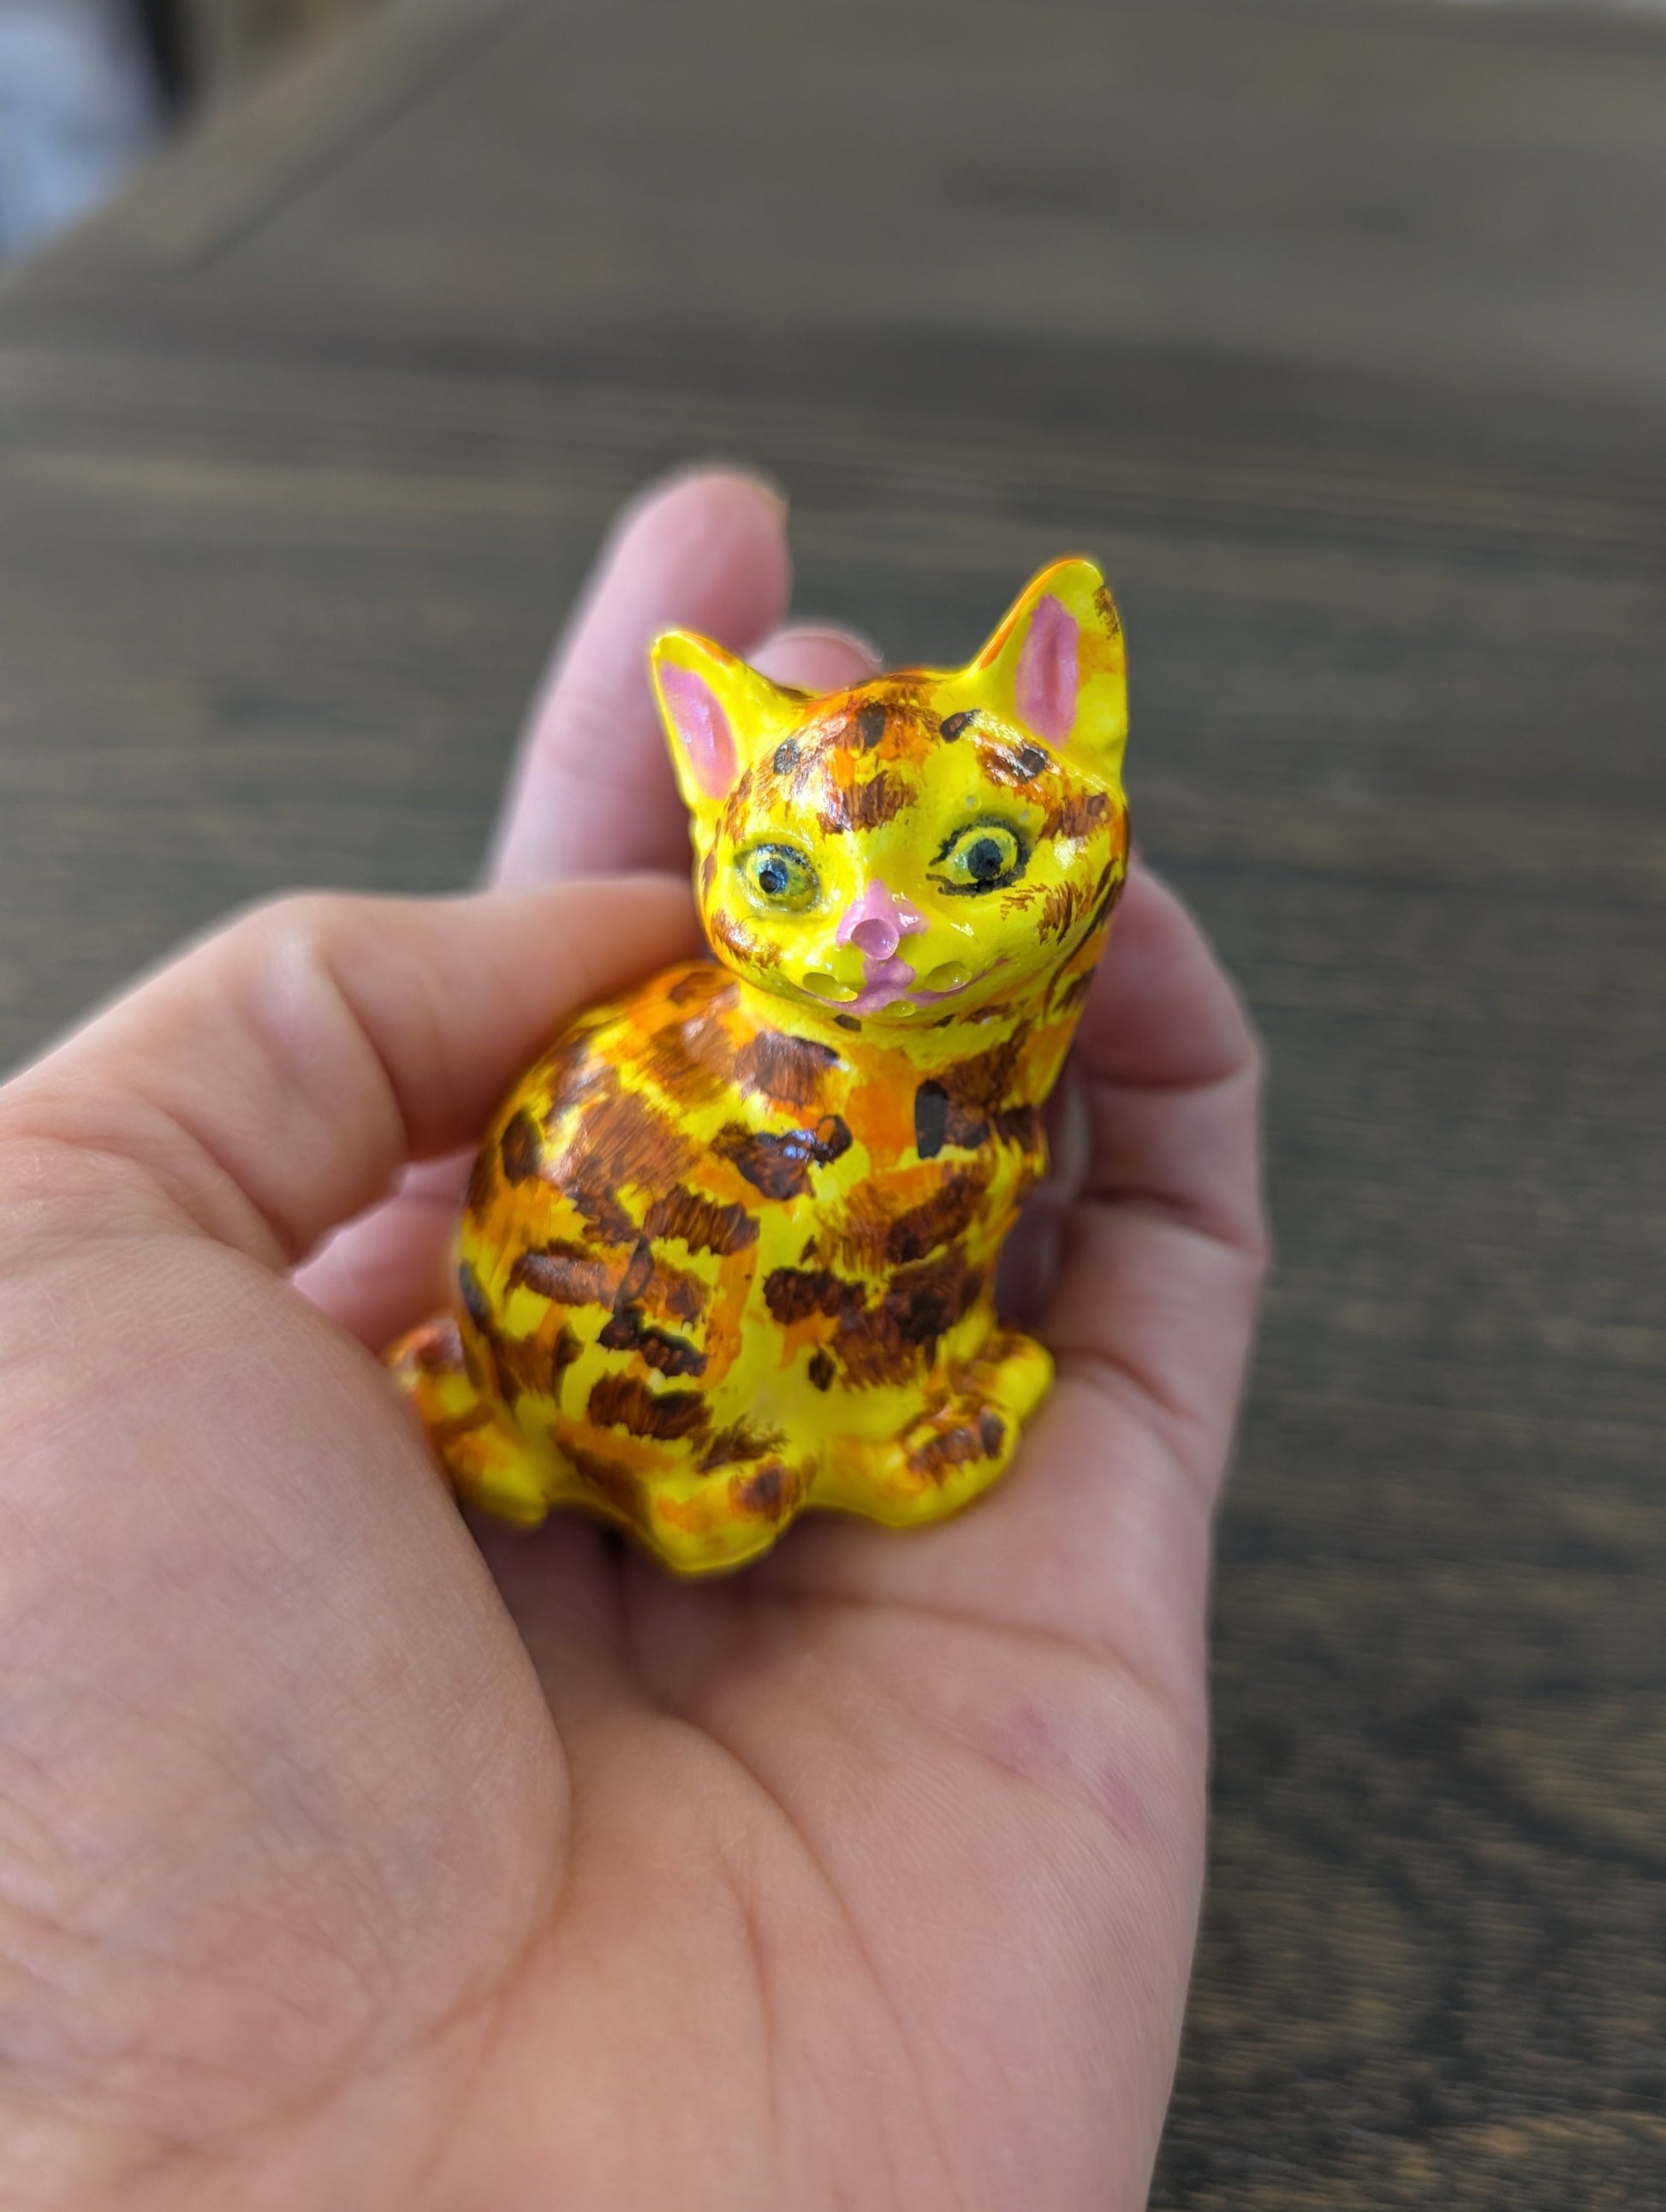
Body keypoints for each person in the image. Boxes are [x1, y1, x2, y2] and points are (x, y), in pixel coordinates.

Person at [0, 468, 1264, 2209]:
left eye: (972, 861)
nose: (878, 929)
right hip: (673, 1391)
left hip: (545, 1371)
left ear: (1077, 759)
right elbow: (874, 1258)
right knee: (865, 1239)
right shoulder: (860, 1096)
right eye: (786, 873)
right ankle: (763, 1445)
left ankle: (694, 1424)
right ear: (713, 820)